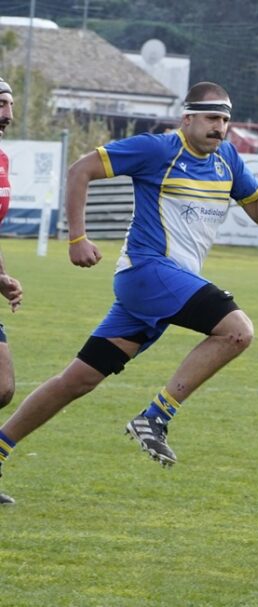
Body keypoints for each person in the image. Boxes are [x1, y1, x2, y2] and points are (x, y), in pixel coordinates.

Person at [0, 82, 258, 493]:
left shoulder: (227, 159)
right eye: (211, 118)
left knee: (77, 380)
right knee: (237, 331)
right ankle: (155, 416)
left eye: (225, 120)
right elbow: (80, 170)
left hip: (164, 287)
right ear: (187, 119)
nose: (219, 127)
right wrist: (77, 238)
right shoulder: (157, 149)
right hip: (148, 272)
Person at [0, 76, 24, 506]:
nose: (8, 115)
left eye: (10, 105)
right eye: (0, 105)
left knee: (2, 386)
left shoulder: (2, 161)